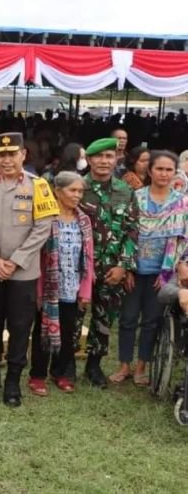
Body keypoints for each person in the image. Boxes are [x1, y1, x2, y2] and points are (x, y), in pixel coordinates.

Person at [0, 132, 58, 407]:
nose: (7, 160)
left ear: (23, 154)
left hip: (22, 273)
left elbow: (43, 227)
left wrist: (15, 261)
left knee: (20, 328)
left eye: (12, 154)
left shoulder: (40, 186)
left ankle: (12, 382)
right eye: (2, 155)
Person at [113, 151, 188, 386]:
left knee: (151, 321)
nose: (164, 174)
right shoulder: (136, 198)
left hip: (163, 273)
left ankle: (141, 368)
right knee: (128, 319)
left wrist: (170, 272)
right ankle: (124, 365)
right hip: (135, 270)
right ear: (150, 170)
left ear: (174, 172)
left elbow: (184, 239)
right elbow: (125, 233)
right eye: (159, 169)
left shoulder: (181, 202)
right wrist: (128, 268)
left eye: (169, 170)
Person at [76, 137, 138, 388]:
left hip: (112, 269)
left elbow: (132, 231)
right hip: (80, 267)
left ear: (116, 160)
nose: (104, 161)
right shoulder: (77, 187)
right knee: (74, 317)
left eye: (109, 156)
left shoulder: (126, 191)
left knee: (104, 320)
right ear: (89, 159)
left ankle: (94, 366)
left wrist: (123, 266)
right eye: (98, 157)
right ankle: (65, 364)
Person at [28, 172, 94, 396]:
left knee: (68, 333)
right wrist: (38, 291)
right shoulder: (46, 218)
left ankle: (60, 373)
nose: (77, 195)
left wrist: (85, 290)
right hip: (48, 287)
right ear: (57, 191)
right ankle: (37, 375)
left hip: (73, 286)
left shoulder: (83, 220)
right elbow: (37, 256)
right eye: (73, 190)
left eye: (80, 191)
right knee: (42, 333)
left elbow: (89, 256)